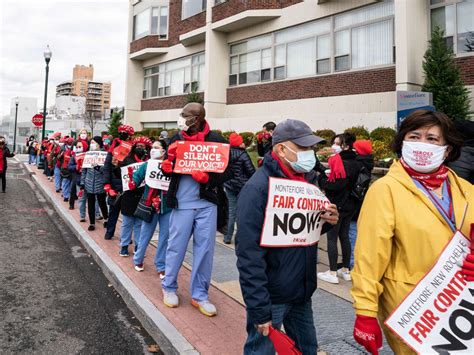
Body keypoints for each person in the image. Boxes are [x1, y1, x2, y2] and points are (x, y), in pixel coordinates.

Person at [351, 110, 474, 354]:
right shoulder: (385, 190)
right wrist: (365, 311)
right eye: (414, 136)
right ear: (402, 142)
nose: (422, 144)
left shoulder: (465, 189)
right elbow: (369, 258)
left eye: (432, 139)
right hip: (413, 310)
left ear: (446, 149)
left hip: (461, 303)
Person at [235, 119, 339, 355]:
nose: (309, 154)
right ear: (281, 149)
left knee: (306, 349)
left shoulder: (309, 182)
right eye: (303, 148)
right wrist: (259, 308)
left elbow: (299, 234)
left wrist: (326, 222)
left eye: (311, 148)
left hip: (302, 292)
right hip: (271, 297)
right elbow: (248, 254)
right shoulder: (258, 188)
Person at [159, 102, 232, 316]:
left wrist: (209, 178)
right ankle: (169, 287)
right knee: (176, 246)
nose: (181, 117)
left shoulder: (217, 140)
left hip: (207, 204)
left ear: (197, 119)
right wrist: (167, 166)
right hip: (182, 204)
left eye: (185, 115)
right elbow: (168, 166)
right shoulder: (176, 138)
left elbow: (228, 171)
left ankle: (200, 294)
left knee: (205, 250)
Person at [317, 133, 362, 284]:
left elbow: (335, 185)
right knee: (344, 236)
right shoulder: (357, 161)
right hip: (351, 205)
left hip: (337, 204)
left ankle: (332, 272)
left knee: (332, 237)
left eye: (338, 143)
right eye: (334, 142)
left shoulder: (338, 161)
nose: (334, 146)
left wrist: (322, 179)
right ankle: (346, 270)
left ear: (346, 146)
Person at [131, 139, 171, 275]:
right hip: (150, 204)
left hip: (167, 207)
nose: (153, 150)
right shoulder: (148, 164)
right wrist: (133, 182)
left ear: (164, 151)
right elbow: (137, 176)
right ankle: (138, 259)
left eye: (157, 147)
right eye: (152, 147)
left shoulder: (171, 164)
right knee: (145, 234)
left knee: (165, 237)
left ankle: (161, 266)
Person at [117, 136, 151, 256]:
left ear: (147, 148)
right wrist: (116, 165)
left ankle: (138, 246)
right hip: (129, 196)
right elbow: (119, 174)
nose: (140, 148)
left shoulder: (150, 162)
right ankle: (124, 246)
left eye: (142, 147)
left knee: (139, 224)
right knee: (127, 223)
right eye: (137, 146)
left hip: (143, 196)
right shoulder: (127, 159)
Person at [223, 133, 255, 244]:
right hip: (242, 186)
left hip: (229, 185)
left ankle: (227, 237)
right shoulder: (243, 154)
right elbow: (251, 171)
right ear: (239, 143)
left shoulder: (226, 153)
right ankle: (240, 238)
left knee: (232, 211)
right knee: (242, 212)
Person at [348, 140, 374, 269]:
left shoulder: (358, 165)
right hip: (360, 201)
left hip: (354, 202)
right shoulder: (368, 163)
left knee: (352, 232)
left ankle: (353, 262)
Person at [80, 136, 109, 231]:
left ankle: (106, 218)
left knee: (102, 202)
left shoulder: (105, 154)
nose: (91, 144)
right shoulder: (88, 154)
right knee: (91, 203)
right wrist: (82, 182)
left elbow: (107, 170)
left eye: (93, 143)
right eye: (91, 143)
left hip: (100, 183)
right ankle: (92, 222)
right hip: (89, 182)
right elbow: (84, 170)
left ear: (99, 144)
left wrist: (99, 168)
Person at [58, 137, 74, 202]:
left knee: (70, 184)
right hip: (65, 168)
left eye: (71, 143)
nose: (69, 144)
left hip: (72, 169)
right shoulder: (63, 148)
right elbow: (58, 158)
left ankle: (68, 195)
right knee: (65, 182)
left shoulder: (75, 150)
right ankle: (65, 196)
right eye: (69, 142)